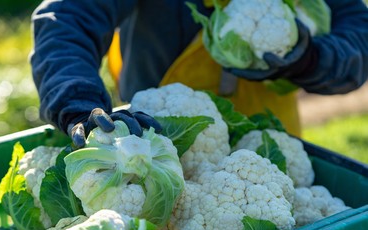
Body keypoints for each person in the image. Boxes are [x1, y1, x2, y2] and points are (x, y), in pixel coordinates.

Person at [30, 0, 368, 147]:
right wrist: (76, 101)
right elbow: (67, 18)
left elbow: (358, 31)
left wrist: (311, 60)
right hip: (156, 147)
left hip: (272, 143)